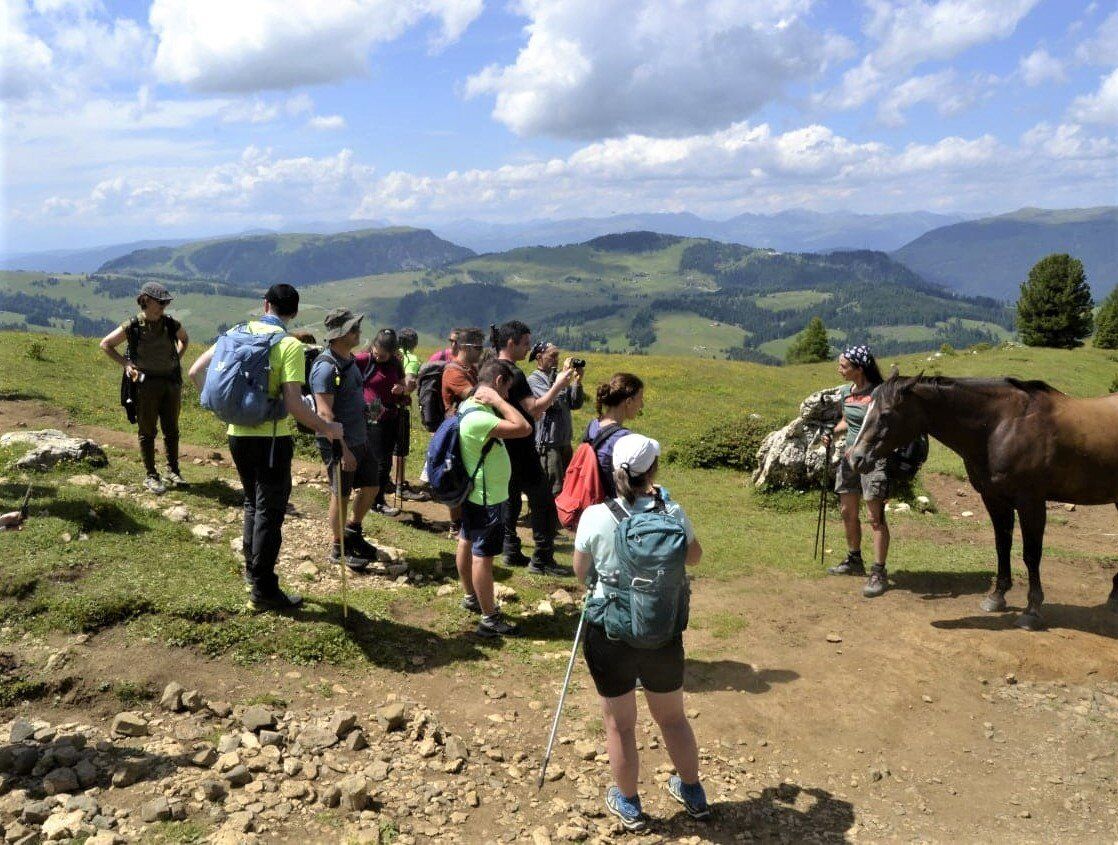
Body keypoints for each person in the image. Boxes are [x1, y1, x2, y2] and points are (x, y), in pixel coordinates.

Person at [572, 433, 710, 829]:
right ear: (653, 471)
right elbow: (695, 557)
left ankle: (629, 803)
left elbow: (581, 573)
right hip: (662, 629)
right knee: (673, 718)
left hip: (610, 631)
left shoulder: (597, 516)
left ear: (615, 471)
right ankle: (693, 792)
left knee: (620, 723)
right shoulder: (672, 512)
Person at [189, 284, 344, 611]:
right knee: (270, 512)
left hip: (236, 435)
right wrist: (326, 427)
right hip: (271, 439)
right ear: (295, 312)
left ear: (265, 304)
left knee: (252, 503)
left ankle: (253, 573)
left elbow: (194, 371)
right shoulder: (288, 345)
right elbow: (293, 404)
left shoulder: (234, 333)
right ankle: (263, 587)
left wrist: (225, 411)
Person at [491, 321, 576, 576]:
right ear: (511, 343)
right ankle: (542, 558)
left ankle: (510, 549)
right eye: (526, 343)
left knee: (511, 499)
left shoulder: (491, 367)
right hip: (521, 446)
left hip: (502, 446)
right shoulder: (514, 374)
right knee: (543, 502)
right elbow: (535, 408)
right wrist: (559, 385)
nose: (528, 349)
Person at [454, 359, 531, 638]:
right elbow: (523, 427)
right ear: (498, 383)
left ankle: (471, 597)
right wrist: (500, 401)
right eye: (506, 389)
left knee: (466, 540)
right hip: (488, 497)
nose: (508, 395)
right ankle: (489, 618)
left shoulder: (469, 407)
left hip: (477, 492)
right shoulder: (480, 416)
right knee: (482, 557)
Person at [310, 310, 386, 569]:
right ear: (341, 334)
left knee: (372, 486)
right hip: (339, 442)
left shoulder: (349, 361)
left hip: (359, 436)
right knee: (340, 494)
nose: (359, 333)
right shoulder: (325, 367)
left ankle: (353, 531)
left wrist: (367, 411)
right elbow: (324, 413)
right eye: (354, 329)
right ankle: (338, 547)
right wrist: (343, 450)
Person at [100, 281, 189, 494]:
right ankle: (151, 475)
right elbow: (106, 344)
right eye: (160, 302)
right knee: (147, 431)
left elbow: (184, 340)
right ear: (146, 301)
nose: (164, 306)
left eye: (166, 302)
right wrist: (127, 364)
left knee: (172, 430)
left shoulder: (171, 324)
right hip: (145, 385)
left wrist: (176, 359)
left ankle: (173, 471)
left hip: (170, 382)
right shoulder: (132, 326)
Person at [822, 344, 891, 598]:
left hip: (873, 460)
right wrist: (832, 433)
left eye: (844, 366)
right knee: (846, 511)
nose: (839, 369)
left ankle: (879, 571)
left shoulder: (879, 394)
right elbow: (846, 420)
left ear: (859, 369)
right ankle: (854, 559)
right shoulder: (846, 392)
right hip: (849, 458)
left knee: (876, 517)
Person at [352, 328, 407, 517]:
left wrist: (402, 388)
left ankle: (376, 496)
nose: (378, 358)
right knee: (377, 460)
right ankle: (375, 500)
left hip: (390, 415)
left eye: (383, 356)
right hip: (371, 416)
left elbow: (404, 383)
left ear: (392, 353)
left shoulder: (395, 363)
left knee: (386, 460)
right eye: (376, 353)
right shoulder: (362, 360)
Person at [440, 327, 486, 537]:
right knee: (457, 477)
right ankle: (456, 524)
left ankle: (465, 521)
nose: (481, 351)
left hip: (468, 431)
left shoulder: (471, 370)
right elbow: (472, 395)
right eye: (477, 347)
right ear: (465, 347)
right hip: (456, 433)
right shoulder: (454, 371)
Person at [527, 342, 585, 494]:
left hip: (564, 441)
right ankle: (551, 517)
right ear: (539, 357)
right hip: (549, 443)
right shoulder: (534, 380)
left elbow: (575, 404)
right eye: (552, 356)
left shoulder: (559, 378)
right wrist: (561, 383)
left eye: (557, 356)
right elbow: (553, 404)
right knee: (554, 488)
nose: (556, 359)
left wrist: (577, 382)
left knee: (568, 485)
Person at [585, 373, 645, 498]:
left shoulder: (593, 425)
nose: (642, 405)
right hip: (611, 504)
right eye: (640, 399)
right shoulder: (624, 437)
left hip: (590, 496)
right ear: (628, 401)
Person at [394, 328, 427, 502]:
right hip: (400, 407)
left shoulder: (391, 355)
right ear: (414, 343)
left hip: (385, 406)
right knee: (400, 448)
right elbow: (408, 384)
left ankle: (389, 482)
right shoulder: (412, 360)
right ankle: (400, 486)